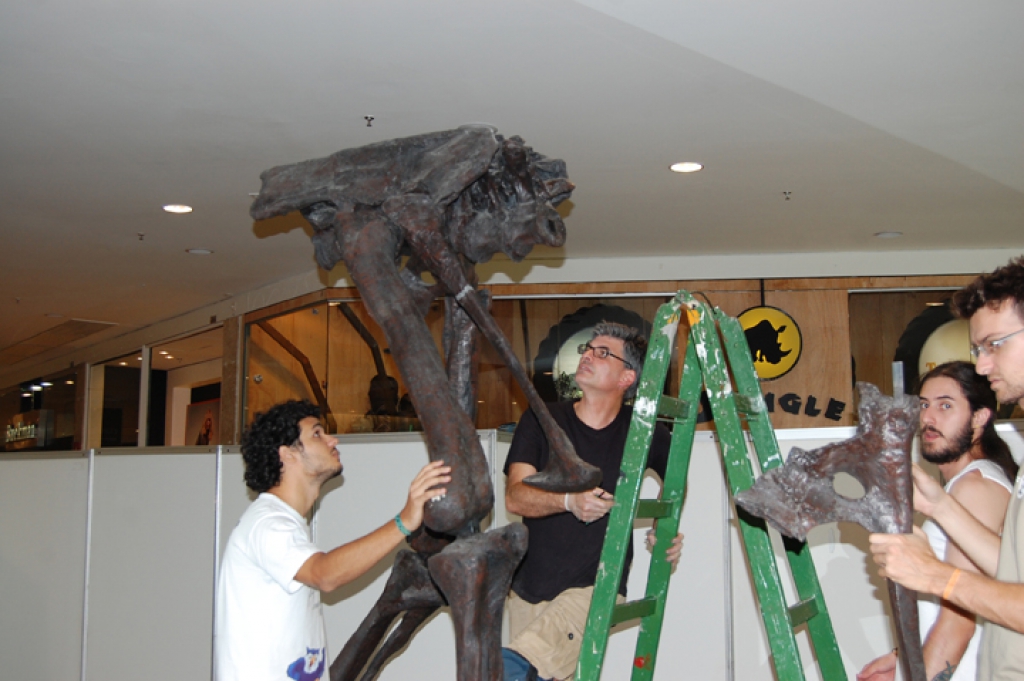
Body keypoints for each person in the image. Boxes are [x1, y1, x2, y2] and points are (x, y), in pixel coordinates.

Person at [214, 399, 450, 681]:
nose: (332, 439)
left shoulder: (284, 523)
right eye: (317, 433)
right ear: (287, 454)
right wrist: (403, 521)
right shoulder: (267, 524)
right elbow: (325, 574)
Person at [869, 256, 1024, 681]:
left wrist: (938, 577)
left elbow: (958, 620)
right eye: (979, 349)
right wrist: (939, 506)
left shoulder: (980, 482)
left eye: (995, 344)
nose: (984, 364)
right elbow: (1010, 571)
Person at [501, 322, 683, 681]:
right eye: (588, 348)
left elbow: (676, 481)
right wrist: (569, 502)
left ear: (626, 377)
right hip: (527, 591)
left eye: (603, 353)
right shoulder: (542, 419)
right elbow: (516, 496)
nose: (588, 355)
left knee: (508, 669)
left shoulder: (644, 431)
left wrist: (666, 528)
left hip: (597, 588)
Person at [858, 361, 1015, 681]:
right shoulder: (962, 485)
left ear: (980, 418)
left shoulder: (976, 486)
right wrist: (902, 659)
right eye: (924, 405)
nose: (928, 418)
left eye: (946, 405)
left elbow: (960, 622)